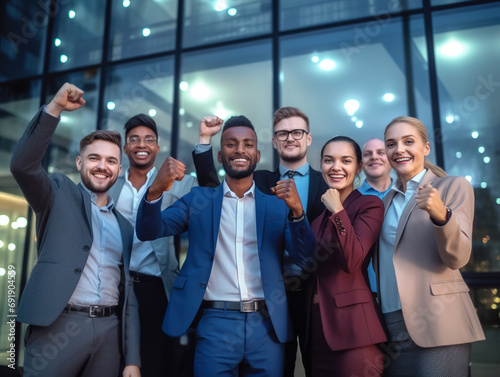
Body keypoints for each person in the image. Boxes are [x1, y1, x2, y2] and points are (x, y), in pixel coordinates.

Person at [136, 115, 316, 377]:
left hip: (266, 324)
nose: (240, 150)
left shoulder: (276, 205)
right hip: (215, 322)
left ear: (257, 154)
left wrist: (298, 213)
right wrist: (154, 191)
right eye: (231, 144)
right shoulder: (199, 199)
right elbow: (148, 230)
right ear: (220, 156)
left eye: (247, 144)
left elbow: (307, 258)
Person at [10, 83, 140, 377]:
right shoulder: (56, 194)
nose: (102, 166)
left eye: (111, 161)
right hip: (57, 326)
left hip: (109, 332)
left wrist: (133, 357)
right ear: (80, 162)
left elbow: (129, 295)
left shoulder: (125, 226)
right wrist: (54, 109)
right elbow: (23, 165)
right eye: (94, 158)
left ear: (119, 170)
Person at [192, 107, 328, 377]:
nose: (290, 138)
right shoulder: (261, 181)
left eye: (297, 132)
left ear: (308, 138)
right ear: (274, 142)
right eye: (282, 133)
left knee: (318, 365)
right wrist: (205, 141)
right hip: (271, 296)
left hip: (316, 292)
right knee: (281, 368)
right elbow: (211, 186)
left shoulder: (326, 183)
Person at [375, 116, 485, 376]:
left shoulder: (452, 187)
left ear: (426, 148)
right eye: (391, 144)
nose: (399, 149)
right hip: (392, 323)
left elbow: (458, 257)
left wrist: (442, 216)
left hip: (438, 322)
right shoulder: (385, 201)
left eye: (408, 141)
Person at [109, 114, 197, 377]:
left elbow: (208, 194)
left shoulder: (175, 184)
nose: (141, 144)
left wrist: (203, 141)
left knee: (154, 358)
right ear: (126, 148)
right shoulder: (111, 184)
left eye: (149, 139)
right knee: (114, 355)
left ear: (157, 147)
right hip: (116, 282)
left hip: (155, 284)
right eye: (134, 139)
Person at [306, 136, 387, 377]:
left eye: (346, 160)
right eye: (328, 160)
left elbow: (353, 260)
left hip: (354, 331)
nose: (336, 167)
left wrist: (337, 209)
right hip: (317, 332)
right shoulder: (317, 220)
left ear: (359, 167)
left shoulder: (369, 205)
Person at [358, 138, 393, 292]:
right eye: (367, 154)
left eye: (381, 152)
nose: (374, 157)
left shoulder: (407, 194)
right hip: (368, 289)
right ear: (361, 164)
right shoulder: (351, 200)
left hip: (405, 287)